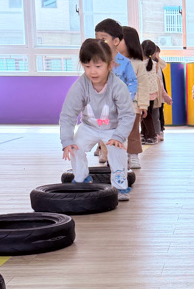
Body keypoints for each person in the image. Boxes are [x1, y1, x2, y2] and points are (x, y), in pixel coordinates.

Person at [59, 37, 134, 201]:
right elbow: (68, 114)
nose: (92, 71)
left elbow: (127, 114)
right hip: (88, 126)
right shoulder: (80, 86)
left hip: (113, 129)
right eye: (87, 66)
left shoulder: (118, 86)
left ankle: (120, 186)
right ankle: (81, 179)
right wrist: (66, 140)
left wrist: (119, 136)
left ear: (110, 65)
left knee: (117, 152)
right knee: (75, 146)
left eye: (98, 66)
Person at [94, 18, 139, 164]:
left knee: (118, 135)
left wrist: (127, 99)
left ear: (116, 41)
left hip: (119, 107)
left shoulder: (125, 63)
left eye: (103, 39)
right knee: (103, 132)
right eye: (97, 39)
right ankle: (106, 155)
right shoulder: (95, 61)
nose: (99, 42)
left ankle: (118, 161)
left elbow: (132, 82)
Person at [120, 25, 149, 169]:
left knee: (133, 132)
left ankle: (133, 155)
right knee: (116, 131)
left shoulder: (138, 64)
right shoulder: (112, 62)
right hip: (115, 106)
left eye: (119, 40)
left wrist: (143, 105)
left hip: (133, 105)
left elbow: (143, 85)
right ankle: (119, 155)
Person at [142, 40, 167, 144]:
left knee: (145, 115)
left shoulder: (140, 64)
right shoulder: (155, 64)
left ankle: (151, 136)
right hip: (153, 93)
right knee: (147, 115)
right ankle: (145, 134)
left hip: (144, 93)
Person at [154, 44, 171, 139]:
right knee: (155, 114)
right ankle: (156, 131)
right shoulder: (150, 65)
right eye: (157, 53)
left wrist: (157, 58)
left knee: (160, 112)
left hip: (160, 93)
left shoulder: (158, 64)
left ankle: (160, 130)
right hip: (154, 93)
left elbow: (164, 64)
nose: (158, 55)